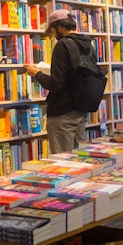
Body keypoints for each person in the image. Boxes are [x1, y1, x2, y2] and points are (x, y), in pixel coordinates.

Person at [26, 8, 95, 153]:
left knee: (63, 163)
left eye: (52, 31)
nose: (53, 35)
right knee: (77, 161)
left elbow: (57, 84)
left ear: (59, 27)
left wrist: (37, 73)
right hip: (81, 111)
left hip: (62, 113)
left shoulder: (63, 45)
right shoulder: (88, 45)